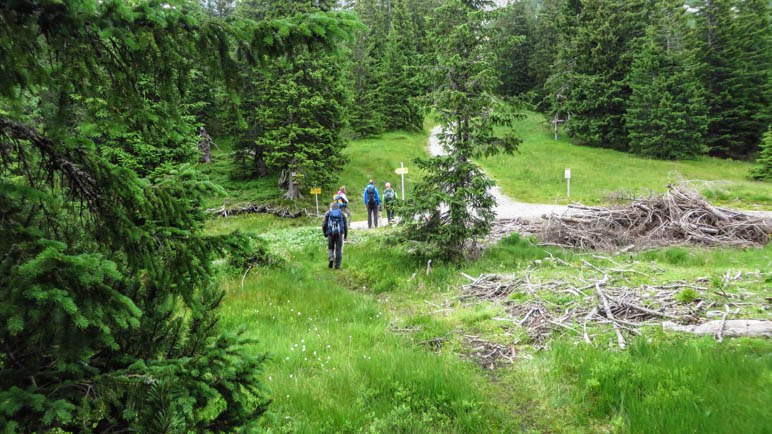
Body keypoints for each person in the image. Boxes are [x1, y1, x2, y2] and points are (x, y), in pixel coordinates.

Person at [322, 202, 348, 269]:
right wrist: (345, 236)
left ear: (331, 207)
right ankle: (337, 265)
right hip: (339, 234)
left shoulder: (328, 213)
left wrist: (325, 233)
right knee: (338, 249)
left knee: (331, 247)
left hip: (330, 233)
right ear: (338, 207)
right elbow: (345, 226)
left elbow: (324, 224)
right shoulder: (341, 214)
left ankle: (331, 258)